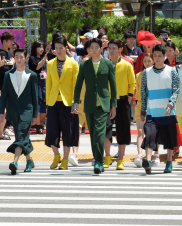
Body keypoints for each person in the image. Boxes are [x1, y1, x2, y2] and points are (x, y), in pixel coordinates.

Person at [72, 38, 117, 174]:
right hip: (89, 103)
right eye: (92, 47)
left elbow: (113, 86)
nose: (94, 50)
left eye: (97, 47)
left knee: (99, 132)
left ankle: (98, 161)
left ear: (100, 49)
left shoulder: (107, 64)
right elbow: (78, 84)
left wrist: (113, 105)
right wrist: (75, 102)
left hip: (104, 104)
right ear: (89, 50)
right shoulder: (84, 65)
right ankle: (98, 160)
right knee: (93, 134)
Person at [140, 44, 180, 174]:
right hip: (152, 111)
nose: (157, 58)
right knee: (150, 135)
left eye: (160, 56)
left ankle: (169, 162)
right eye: (155, 56)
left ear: (165, 56)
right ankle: (148, 161)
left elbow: (176, 90)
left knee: (169, 138)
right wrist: (143, 109)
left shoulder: (171, 70)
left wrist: (171, 104)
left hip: (167, 111)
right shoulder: (146, 72)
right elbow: (143, 92)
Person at [0, 48, 38, 174]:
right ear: (13, 58)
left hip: (27, 110)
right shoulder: (8, 74)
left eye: (21, 57)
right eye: (16, 56)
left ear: (26, 58)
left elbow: (34, 96)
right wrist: (0, 113)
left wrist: (35, 114)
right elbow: (4, 95)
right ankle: (29, 161)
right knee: (22, 136)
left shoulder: (32, 75)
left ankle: (15, 161)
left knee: (21, 135)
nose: (19, 59)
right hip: (13, 111)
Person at [46, 37, 80, 170]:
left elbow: (76, 85)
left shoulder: (73, 63)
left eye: (61, 47)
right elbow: (49, 84)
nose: (59, 50)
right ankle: (56, 156)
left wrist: (75, 102)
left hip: (68, 102)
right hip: (53, 101)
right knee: (51, 131)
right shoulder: (50, 64)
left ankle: (65, 159)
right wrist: (48, 103)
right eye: (56, 48)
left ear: (66, 48)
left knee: (68, 131)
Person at [100, 39, 134, 170]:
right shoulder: (105, 64)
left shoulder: (127, 64)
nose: (112, 50)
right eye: (110, 48)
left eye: (114, 48)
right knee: (106, 128)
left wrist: (130, 97)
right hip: (107, 101)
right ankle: (107, 157)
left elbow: (132, 83)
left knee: (122, 129)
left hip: (122, 100)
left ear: (120, 49)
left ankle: (121, 159)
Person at [132, 52, 153, 167]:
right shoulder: (139, 75)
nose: (147, 63)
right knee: (140, 131)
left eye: (149, 61)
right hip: (140, 104)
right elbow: (137, 89)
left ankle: (154, 154)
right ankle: (140, 155)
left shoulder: (156, 74)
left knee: (152, 131)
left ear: (153, 61)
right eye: (145, 61)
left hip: (152, 105)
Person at [0, 31, 15, 140]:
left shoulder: (7, 52)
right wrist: (11, 64)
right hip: (2, 83)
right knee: (2, 108)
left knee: (7, 107)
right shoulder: (1, 52)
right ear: (5, 41)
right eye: (10, 41)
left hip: (7, 83)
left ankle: (4, 129)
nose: (12, 43)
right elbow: (2, 69)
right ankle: (1, 131)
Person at [28, 41, 48, 135]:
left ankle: (41, 124)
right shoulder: (32, 58)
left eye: (43, 47)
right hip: (36, 83)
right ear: (35, 48)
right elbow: (36, 68)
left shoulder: (45, 59)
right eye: (39, 47)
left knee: (44, 106)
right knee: (38, 106)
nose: (42, 49)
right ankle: (38, 126)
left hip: (44, 83)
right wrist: (44, 60)